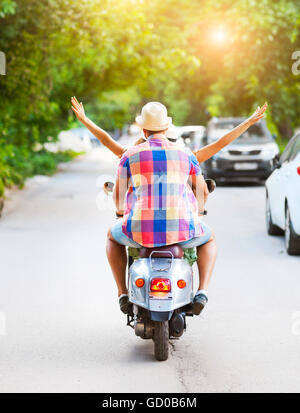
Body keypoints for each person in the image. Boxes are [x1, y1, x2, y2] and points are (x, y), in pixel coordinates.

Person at [71, 98, 267, 314]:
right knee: (209, 238)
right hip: (182, 230)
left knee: (111, 235)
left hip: (139, 231)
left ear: (143, 130)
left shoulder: (129, 155)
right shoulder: (186, 154)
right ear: (166, 127)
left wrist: (85, 120)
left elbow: (116, 182)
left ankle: (123, 293)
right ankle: (202, 291)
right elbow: (216, 151)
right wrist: (248, 122)